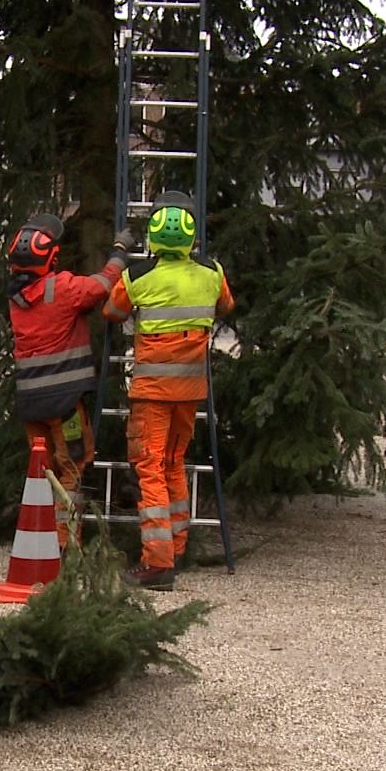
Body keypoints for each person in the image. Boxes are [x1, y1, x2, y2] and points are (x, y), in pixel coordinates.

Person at [102, 191, 234, 590]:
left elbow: (112, 311)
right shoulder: (212, 272)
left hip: (152, 392)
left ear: (153, 234)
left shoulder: (139, 276)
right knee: (174, 463)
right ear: (192, 234)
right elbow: (225, 305)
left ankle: (157, 563)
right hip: (190, 390)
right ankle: (175, 549)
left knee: (150, 468)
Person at [6, 213, 136, 548]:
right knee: (72, 470)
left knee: (43, 470)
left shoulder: (16, 298)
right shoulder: (63, 288)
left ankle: (38, 540)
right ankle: (64, 546)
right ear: (51, 259)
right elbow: (102, 285)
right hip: (64, 405)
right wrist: (120, 252)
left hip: (31, 404)